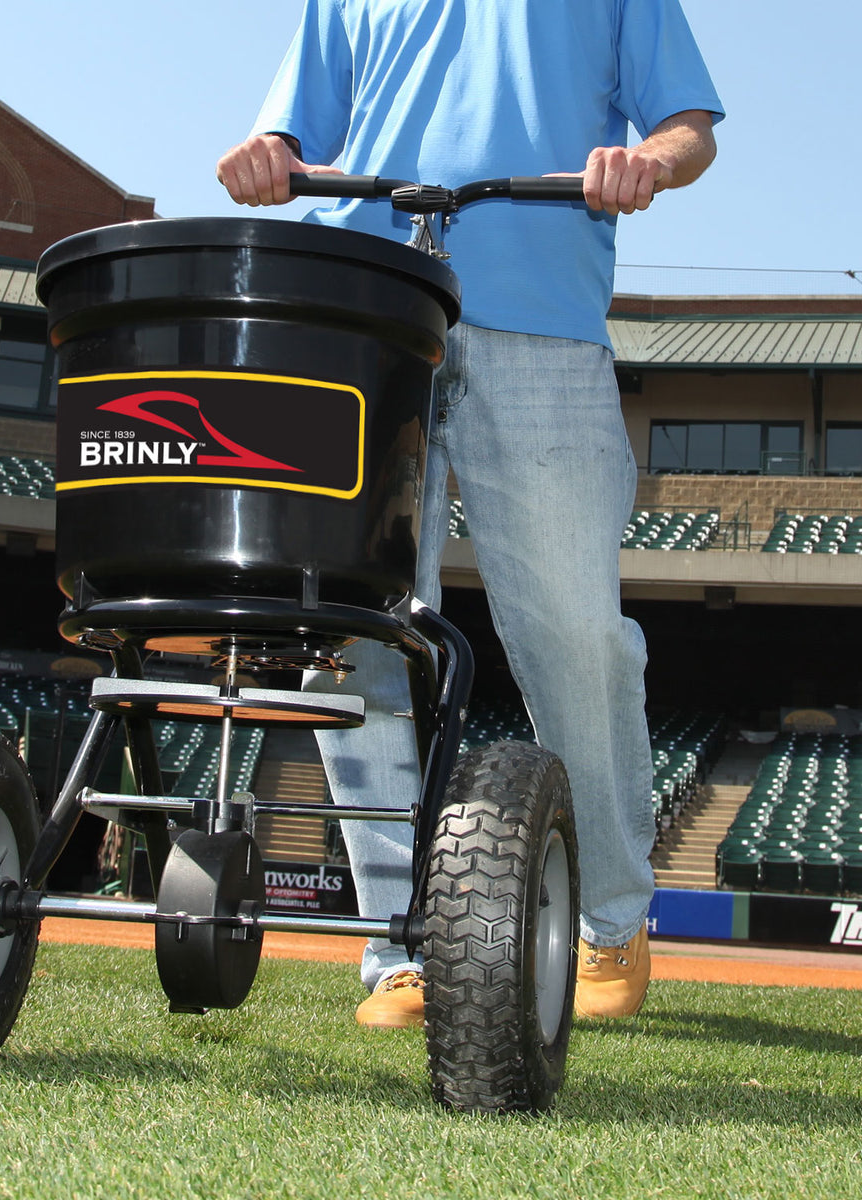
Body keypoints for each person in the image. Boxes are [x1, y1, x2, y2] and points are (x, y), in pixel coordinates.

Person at [217, 0, 723, 1028]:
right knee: (352, 635)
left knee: (577, 635)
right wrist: (266, 156)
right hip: (367, 313)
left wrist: (648, 165)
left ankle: (611, 923)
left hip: (541, 318)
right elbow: (293, 128)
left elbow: (690, 127)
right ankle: (402, 944)